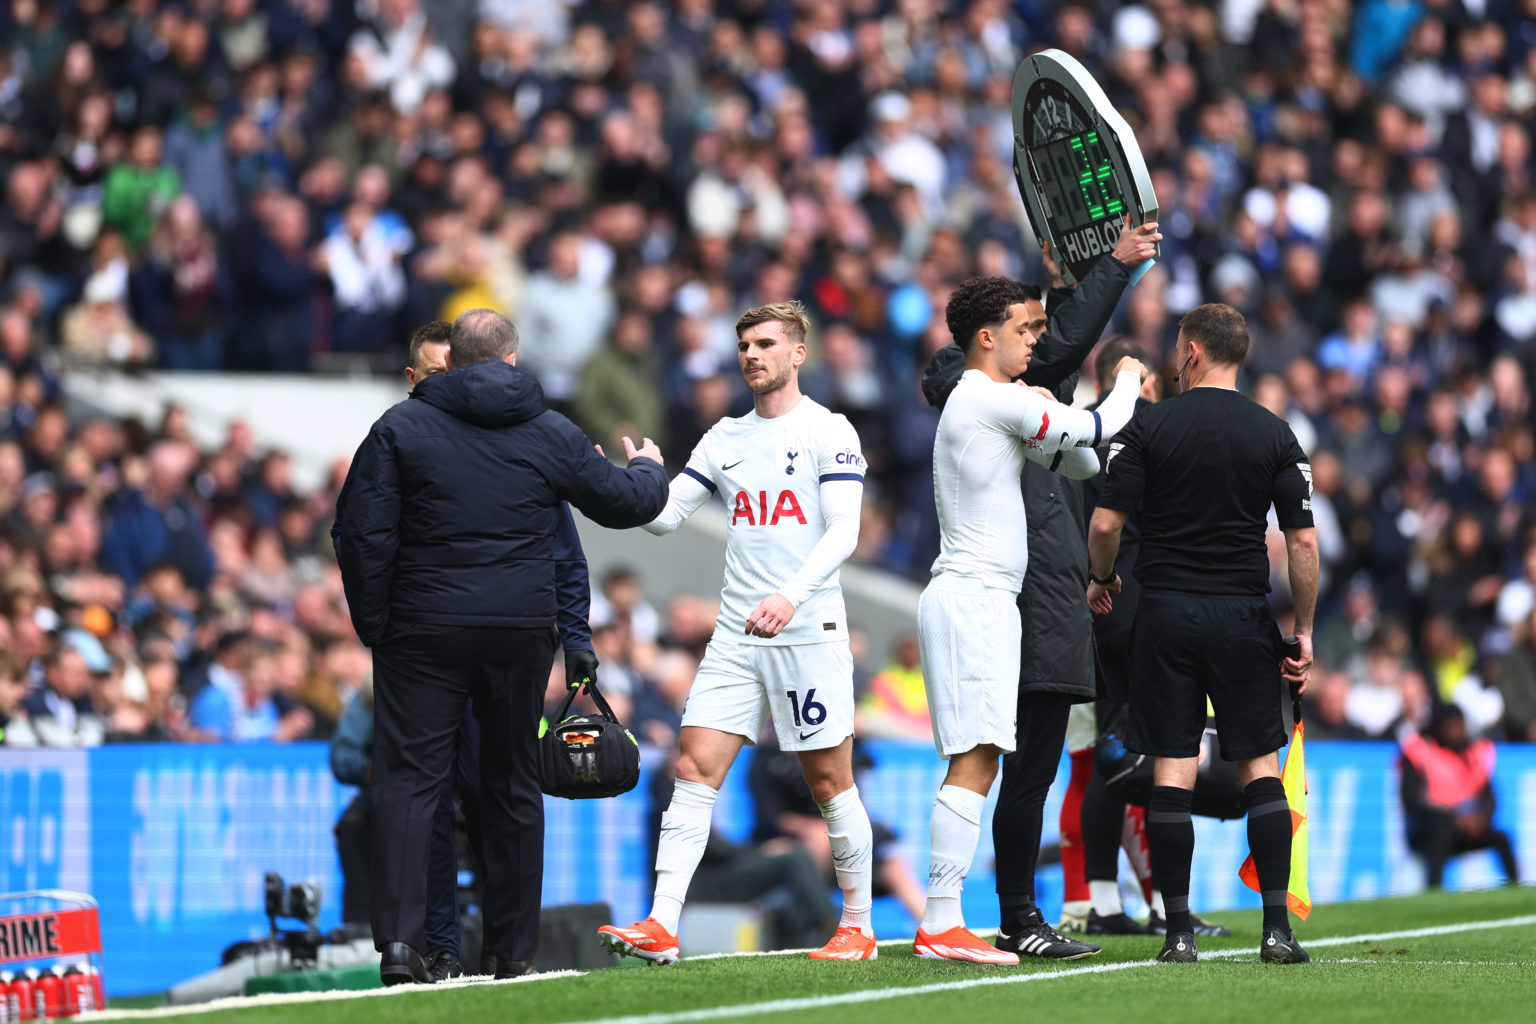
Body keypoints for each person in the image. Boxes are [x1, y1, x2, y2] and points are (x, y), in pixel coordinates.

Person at [334, 307, 668, 985]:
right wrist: (650, 468)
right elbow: (624, 504)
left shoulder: (400, 427)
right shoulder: (548, 431)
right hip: (518, 633)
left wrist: (380, 628)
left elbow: (358, 534)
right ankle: (510, 954)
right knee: (512, 784)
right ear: (513, 361)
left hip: (422, 630)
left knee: (408, 783)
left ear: (450, 360)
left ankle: (401, 949)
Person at [598, 301, 881, 964]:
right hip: (737, 631)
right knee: (694, 765)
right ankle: (663, 924)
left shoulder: (828, 430)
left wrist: (790, 596)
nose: (752, 354)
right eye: (744, 345)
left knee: (829, 781)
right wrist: (627, 478)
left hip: (806, 625)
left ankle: (858, 924)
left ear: (797, 353)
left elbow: (845, 529)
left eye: (765, 343)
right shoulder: (725, 437)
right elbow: (665, 518)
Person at [922, 219, 1161, 958]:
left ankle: (962, 918)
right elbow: (1096, 423)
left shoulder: (985, 403)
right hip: (980, 595)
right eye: (1024, 328)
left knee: (991, 761)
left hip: (981, 594)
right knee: (986, 761)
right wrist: (1125, 379)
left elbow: (1079, 460)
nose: (1039, 340)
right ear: (986, 338)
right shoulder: (990, 396)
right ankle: (952, 919)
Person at [1086, 302, 1318, 965]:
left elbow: (1104, 525)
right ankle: (1277, 930)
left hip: (1166, 614)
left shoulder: (1149, 427)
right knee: (1258, 769)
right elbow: (1301, 540)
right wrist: (1300, 631)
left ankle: (1178, 932)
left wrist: (1102, 580)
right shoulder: (1276, 433)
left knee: (1172, 771)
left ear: (1190, 353)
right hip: (1243, 615)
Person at [1399, 704, 1520, 888]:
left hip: (1468, 827)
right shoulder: (1419, 752)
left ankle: (1515, 887)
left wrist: (1480, 819)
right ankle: (1434, 891)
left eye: (1459, 725)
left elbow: (1490, 798)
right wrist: (1454, 818)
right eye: (1451, 726)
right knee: (1439, 837)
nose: (1456, 731)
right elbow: (1411, 800)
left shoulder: (1474, 753)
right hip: (1431, 828)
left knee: (1501, 837)